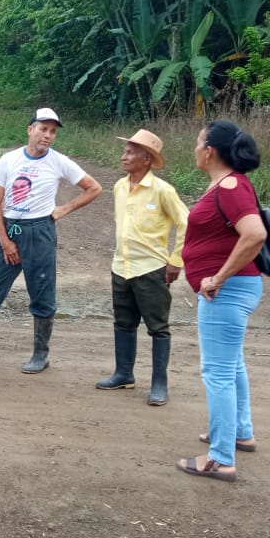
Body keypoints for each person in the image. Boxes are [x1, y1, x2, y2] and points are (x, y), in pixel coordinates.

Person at [0, 108, 102, 372]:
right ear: (30, 130)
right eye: (43, 129)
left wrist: (63, 209)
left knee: (42, 292)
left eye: (53, 132)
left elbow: (94, 188)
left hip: (40, 231)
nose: (48, 135)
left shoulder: (59, 162)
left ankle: (40, 355)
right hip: (10, 230)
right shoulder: (9, 160)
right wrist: (4, 241)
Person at [177, 120, 267, 482]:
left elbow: (255, 234)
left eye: (198, 142)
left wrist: (218, 277)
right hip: (234, 289)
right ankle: (240, 432)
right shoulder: (228, 184)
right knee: (232, 366)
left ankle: (219, 458)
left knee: (217, 373)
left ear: (210, 151)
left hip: (227, 292)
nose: (195, 149)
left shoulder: (230, 186)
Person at [96, 129, 189, 405]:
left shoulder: (162, 190)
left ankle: (159, 383)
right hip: (121, 266)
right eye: (124, 151)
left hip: (151, 269)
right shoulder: (119, 187)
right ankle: (123, 374)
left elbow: (186, 223)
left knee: (158, 327)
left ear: (146, 159)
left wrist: (176, 260)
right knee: (123, 323)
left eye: (130, 152)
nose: (123, 157)